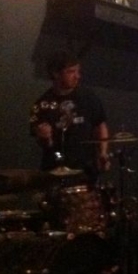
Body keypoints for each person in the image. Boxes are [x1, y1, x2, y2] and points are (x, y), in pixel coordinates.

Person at [29, 50, 110, 179]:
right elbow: (44, 145)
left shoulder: (88, 97)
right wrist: (45, 138)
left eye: (78, 71)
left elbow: (100, 125)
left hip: (86, 169)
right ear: (55, 73)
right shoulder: (42, 104)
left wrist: (103, 152)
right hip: (55, 169)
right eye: (71, 72)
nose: (77, 76)